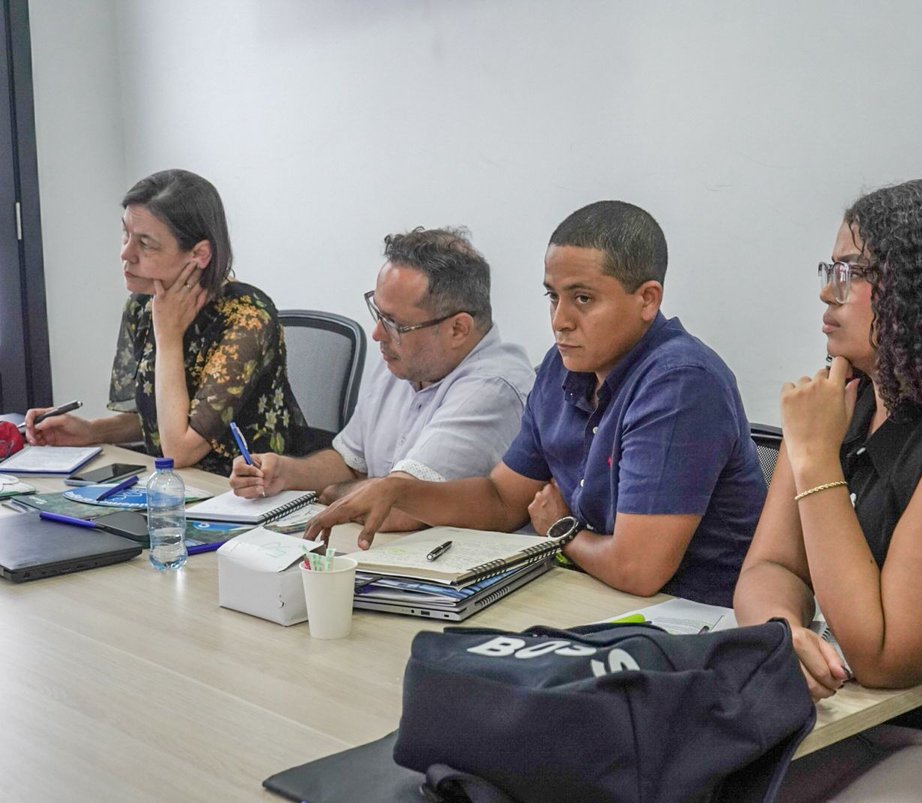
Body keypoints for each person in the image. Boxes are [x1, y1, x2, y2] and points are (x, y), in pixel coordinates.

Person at [304, 200, 766, 606]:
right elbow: (501, 499)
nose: (560, 320)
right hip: (589, 595)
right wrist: (402, 491)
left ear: (647, 300)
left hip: (694, 619)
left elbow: (637, 570)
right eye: (553, 296)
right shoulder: (561, 369)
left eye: (583, 298)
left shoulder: (679, 383)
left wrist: (562, 530)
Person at [734, 179, 922, 751]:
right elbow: (771, 566)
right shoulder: (840, 399)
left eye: (851, 273)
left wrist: (815, 460)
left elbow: (883, 656)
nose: (827, 293)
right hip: (843, 717)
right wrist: (783, 633)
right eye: (830, 270)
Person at [229, 228, 535, 530]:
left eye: (395, 323)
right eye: (379, 313)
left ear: (458, 329)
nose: (377, 333)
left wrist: (333, 492)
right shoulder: (405, 361)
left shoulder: (494, 388)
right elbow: (351, 464)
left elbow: (396, 511)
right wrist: (286, 472)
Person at [24, 169, 304, 475]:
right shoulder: (145, 302)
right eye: (126, 234)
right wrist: (92, 431)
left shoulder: (247, 318)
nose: (126, 253)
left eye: (146, 244)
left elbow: (179, 450)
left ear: (199, 254)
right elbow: (155, 419)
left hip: (243, 487)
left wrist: (168, 337)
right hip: (172, 483)